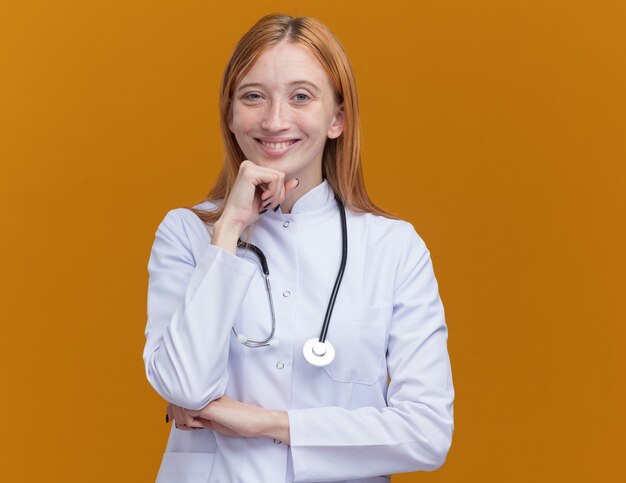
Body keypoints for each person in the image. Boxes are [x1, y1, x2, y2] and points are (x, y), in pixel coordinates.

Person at [143, 13, 454, 483]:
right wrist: (228, 230)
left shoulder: (394, 247)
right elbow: (185, 385)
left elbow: (427, 432)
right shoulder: (186, 233)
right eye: (253, 97)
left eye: (301, 97)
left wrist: (268, 424)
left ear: (338, 118)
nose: (275, 120)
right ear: (230, 115)